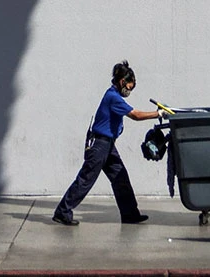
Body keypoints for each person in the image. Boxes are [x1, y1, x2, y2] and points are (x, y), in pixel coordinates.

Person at [52, 60, 161, 226]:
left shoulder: (113, 95)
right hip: (99, 146)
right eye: (130, 87)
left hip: (108, 145)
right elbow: (136, 115)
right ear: (122, 82)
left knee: (120, 178)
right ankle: (63, 211)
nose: (130, 91)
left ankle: (130, 214)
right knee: (86, 179)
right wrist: (158, 114)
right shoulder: (113, 97)